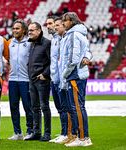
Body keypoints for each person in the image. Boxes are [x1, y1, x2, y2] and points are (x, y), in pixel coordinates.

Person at [60, 12, 93, 147]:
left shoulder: (73, 35)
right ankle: (80, 136)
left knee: (77, 107)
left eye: (65, 21)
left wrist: (65, 74)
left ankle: (84, 138)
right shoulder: (81, 34)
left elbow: (73, 59)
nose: (63, 23)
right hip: (78, 75)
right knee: (78, 107)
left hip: (74, 75)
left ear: (72, 21)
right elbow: (87, 51)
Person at [24, 22, 51, 142]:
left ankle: (47, 133)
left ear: (39, 31)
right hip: (32, 79)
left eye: (32, 30)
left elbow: (52, 61)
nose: (29, 32)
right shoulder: (32, 43)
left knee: (44, 106)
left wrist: (45, 74)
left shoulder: (47, 43)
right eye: (29, 31)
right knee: (35, 107)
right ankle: (37, 132)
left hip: (42, 80)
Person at [7, 19, 33, 140]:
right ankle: (17, 133)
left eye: (17, 28)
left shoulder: (29, 42)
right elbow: (7, 58)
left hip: (25, 80)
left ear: (23, 30)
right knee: (13, 107)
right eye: (13, 28)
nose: (15, 30)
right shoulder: (9, 43)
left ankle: (30, 131)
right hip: (12, 80)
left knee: (28, 107)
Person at [45, 16, 70, 143]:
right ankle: (63, 132)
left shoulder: (65, 39)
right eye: (51, 25)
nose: (52, 27)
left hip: (62, 80)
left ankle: (67, 133)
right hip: (54, 79)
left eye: (55, 25)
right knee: (60, 108)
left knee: (65, 108)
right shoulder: (54, 39)